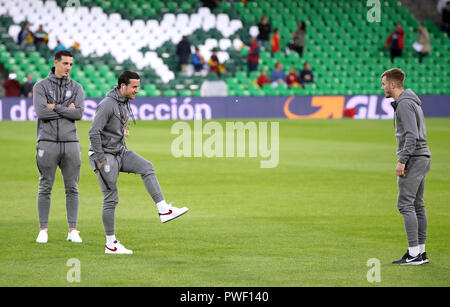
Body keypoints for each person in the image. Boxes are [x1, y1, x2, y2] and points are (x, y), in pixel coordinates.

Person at [88, 71, 189, 255]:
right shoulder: (107, 105)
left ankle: (163, 210)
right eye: (134, 86)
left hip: (120, 152)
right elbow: (94, 132)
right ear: (122, 86)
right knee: (111, 198)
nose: (137, 90)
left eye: (138, 86)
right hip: (104, 156)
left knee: (147, 167)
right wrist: (100, 159)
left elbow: (120, 130)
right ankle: (111, 244)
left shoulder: (125, 103)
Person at [33, 50, 85, 244]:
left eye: (71, 64)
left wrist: (54, 107)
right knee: (45, 186)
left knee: (72, 188)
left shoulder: (77, 87)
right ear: (55, 63)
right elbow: (41, 112)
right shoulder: (40, 86)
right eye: (65, 63)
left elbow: (78, 114)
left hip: (71, 143)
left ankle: (73, 230)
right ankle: (43, 230)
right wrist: (66, 110)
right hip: (47, 142)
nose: (68, 68)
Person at [380, 68, 431, 265]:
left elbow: (411, 135)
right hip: (422, 156)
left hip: (414, 157)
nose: (382, 87)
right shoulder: (411, 102)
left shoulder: (404, 105)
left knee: (405, 204)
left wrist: (402, 160)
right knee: (417, 204)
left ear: (393, 85)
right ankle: (420, 252)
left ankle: (414, 254)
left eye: (384, 84)